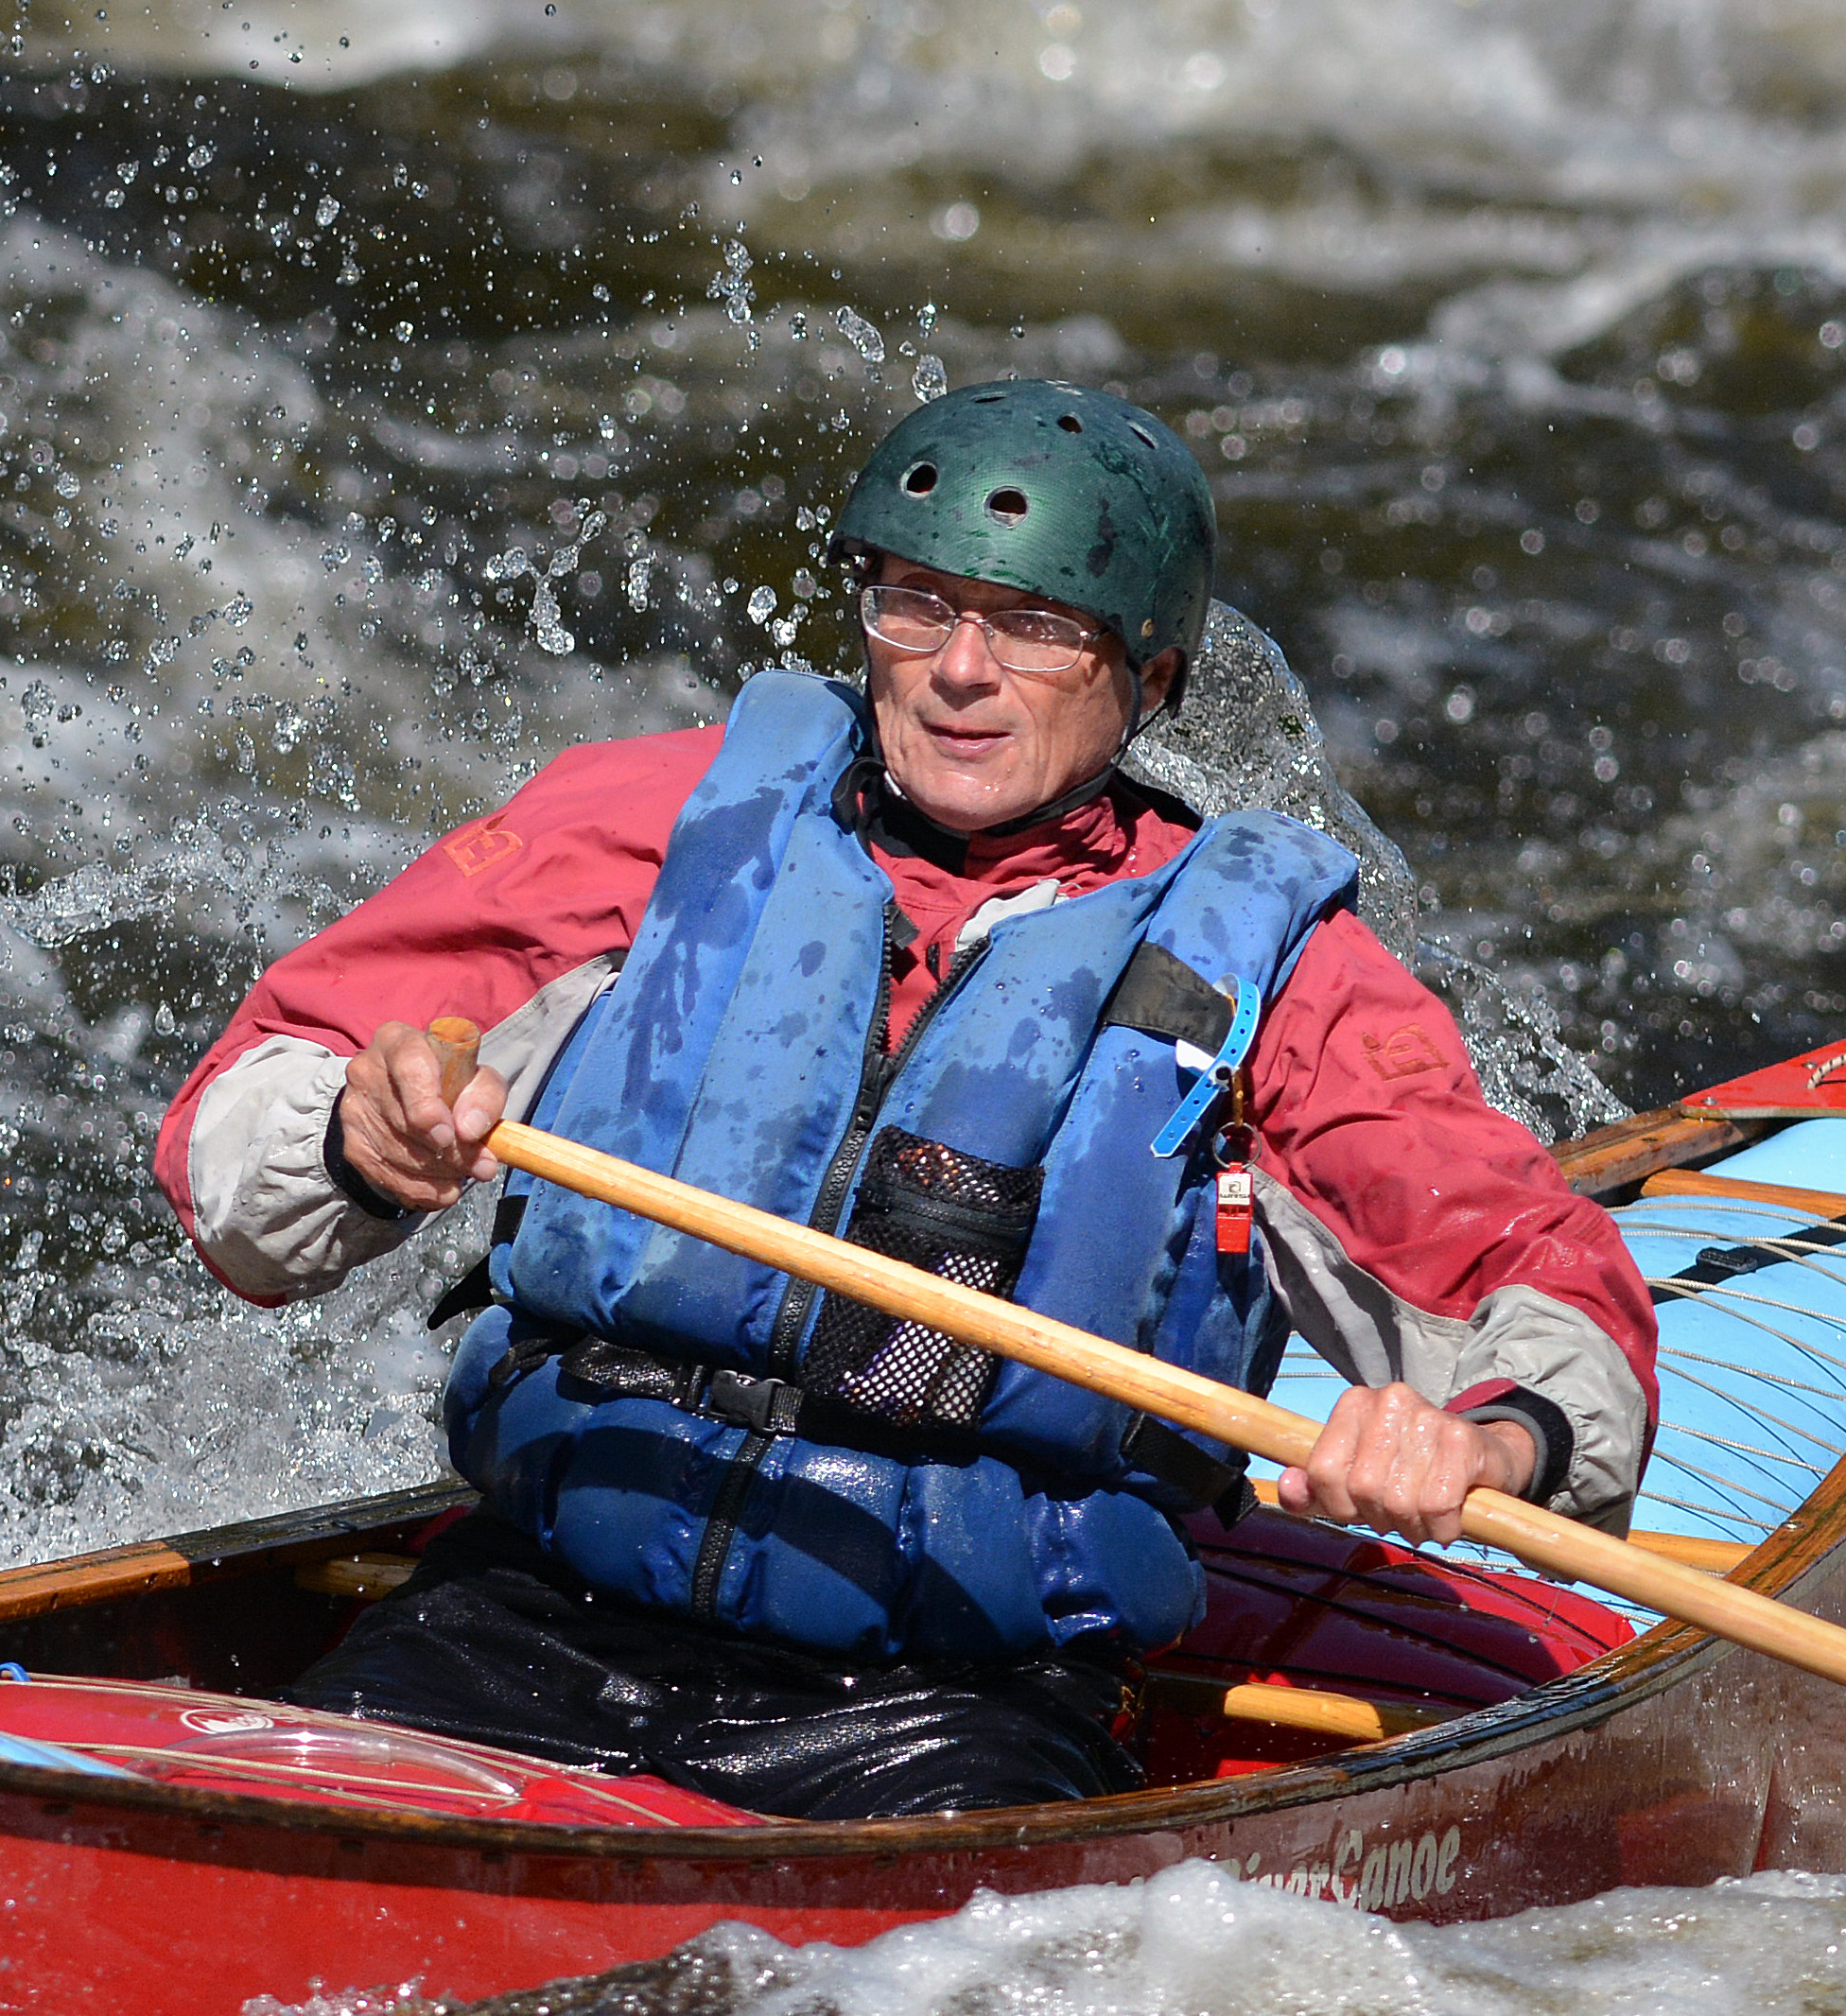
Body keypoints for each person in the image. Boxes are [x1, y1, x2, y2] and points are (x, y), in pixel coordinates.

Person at [155, 379, 1656, 1820]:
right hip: (528, 1619)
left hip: (946, 1708)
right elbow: (241, 1148)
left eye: (1035, 626)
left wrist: (1483, 1442)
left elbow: (1548, 1292)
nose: (957, 667)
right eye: (918, 603)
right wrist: (352, 1137)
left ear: (1152, 681)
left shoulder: (1277, 976)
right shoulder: (655, 824)